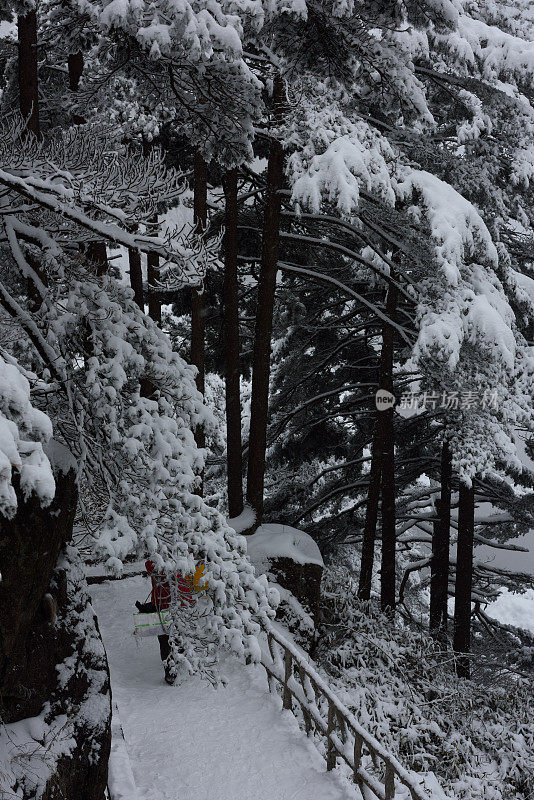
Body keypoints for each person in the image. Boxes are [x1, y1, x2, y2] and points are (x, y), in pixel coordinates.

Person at [135, 560, 195, 683]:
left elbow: (149, 565)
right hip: (180, 605)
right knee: (177, 636)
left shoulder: (158, 562)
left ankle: (171, 671)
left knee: (165, 641)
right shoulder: (182, 560)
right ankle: (178, 662)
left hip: (165, 606)